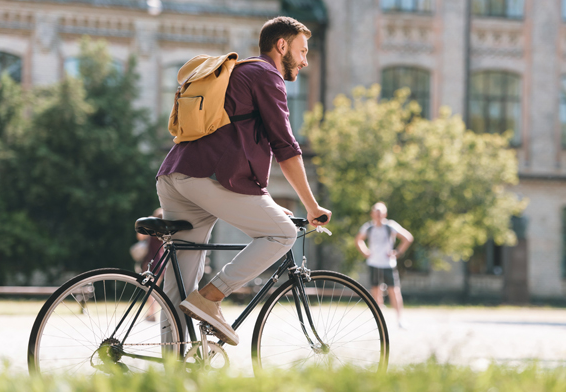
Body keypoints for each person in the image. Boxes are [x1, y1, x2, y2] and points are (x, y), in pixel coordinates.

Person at [155, 16, 331, 346]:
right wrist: (311, 205)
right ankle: (210, 297)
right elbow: (285, 147)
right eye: (302, 50)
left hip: (175, 173)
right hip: (208, 178)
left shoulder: (240, 72)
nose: (306, 60)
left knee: (178, 285)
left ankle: (172, 367)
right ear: (282, 46)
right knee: (282, 232)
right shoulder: (267, 75)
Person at [355, 202, 413, 328]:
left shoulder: (390, 226)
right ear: (372, 214)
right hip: (374, 263)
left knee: (394, 291)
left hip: (388, 264)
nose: (378, 215)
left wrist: (397, 252)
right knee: (376, 291)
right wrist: (365, 251)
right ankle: (379, 320)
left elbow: (408, 238)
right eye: (376, 212)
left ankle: (400, 319)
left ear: (385, 214)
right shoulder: (368, 227)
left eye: (380, 212)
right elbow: (358, 240)